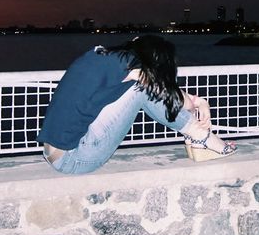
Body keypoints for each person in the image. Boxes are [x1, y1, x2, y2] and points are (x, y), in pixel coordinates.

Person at [37, 35, 236, 174]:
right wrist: (200, 102)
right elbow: (167, 94)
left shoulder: (104, 57)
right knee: (141, 90)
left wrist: (195, 101)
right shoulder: (131, 68)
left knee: (143, 86)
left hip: (58, 153)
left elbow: (160, 87)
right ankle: (202, 137)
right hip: (74, 159)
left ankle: (199, 137)